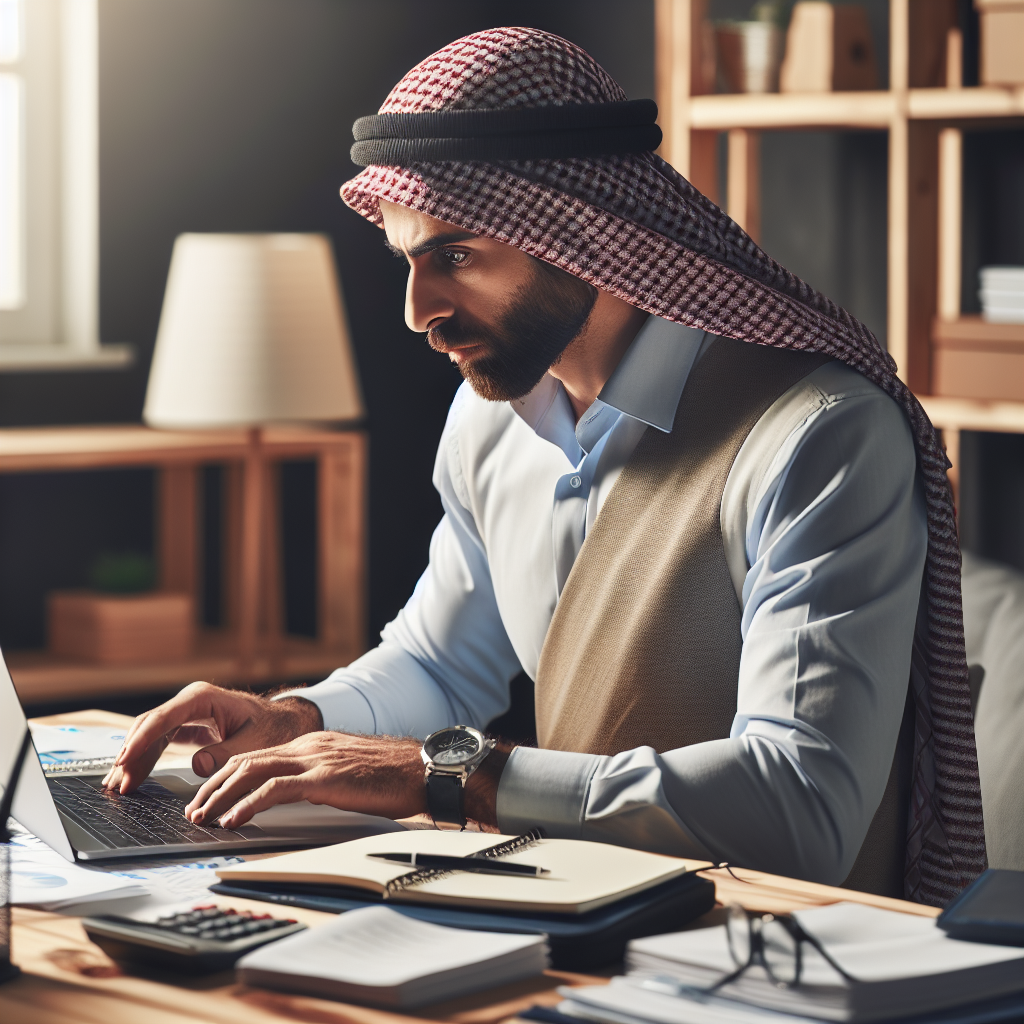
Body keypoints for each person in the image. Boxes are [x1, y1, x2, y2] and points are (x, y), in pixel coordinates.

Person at [105, 27, 985, 905]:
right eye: (409, 263)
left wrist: (447, 773)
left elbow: (801, 811)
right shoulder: (491, 420)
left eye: (454, 257)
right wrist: (296, 721)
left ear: (580, 234)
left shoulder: (820, 439)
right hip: (570, 919)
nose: (418, 312)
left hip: (783, 953)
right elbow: (442, 664)